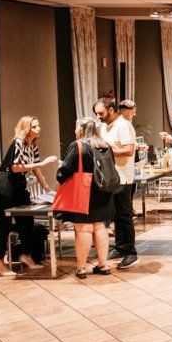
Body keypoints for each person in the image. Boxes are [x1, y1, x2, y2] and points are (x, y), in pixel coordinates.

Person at [0, 116, 56, 275]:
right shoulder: (18, 143)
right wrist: (42, 163)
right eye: (34, 126)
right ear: (26, 129)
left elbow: (36, 169)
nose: (38, 129)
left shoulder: (33, 146)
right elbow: (15, 167)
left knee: (27, 220)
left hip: (19, 183)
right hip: (6, 183)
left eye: (38, 125)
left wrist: (47, 188)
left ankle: (26, 255)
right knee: (4, 224)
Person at [56, 118, 115, 279]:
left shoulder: (78, 145)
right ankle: (103, 265)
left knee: (84, 229)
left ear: (81, 130)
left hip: (84, 191)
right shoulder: (106, 146)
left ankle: (81, 268)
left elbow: (65, 170)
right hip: (104, 192)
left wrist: (59, 172)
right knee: (100, 227)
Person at [95, 98, 138, 270]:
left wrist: (106, 150)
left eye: (101, 113)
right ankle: (120, 247)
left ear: (111, 110)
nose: (98, 116)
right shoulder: (103, 127)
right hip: (109, 178)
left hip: (122, 177)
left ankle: (130, 252)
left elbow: (128, 150)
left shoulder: (124, 125)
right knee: (115, 216)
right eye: (96, 113)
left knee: (124, 215)